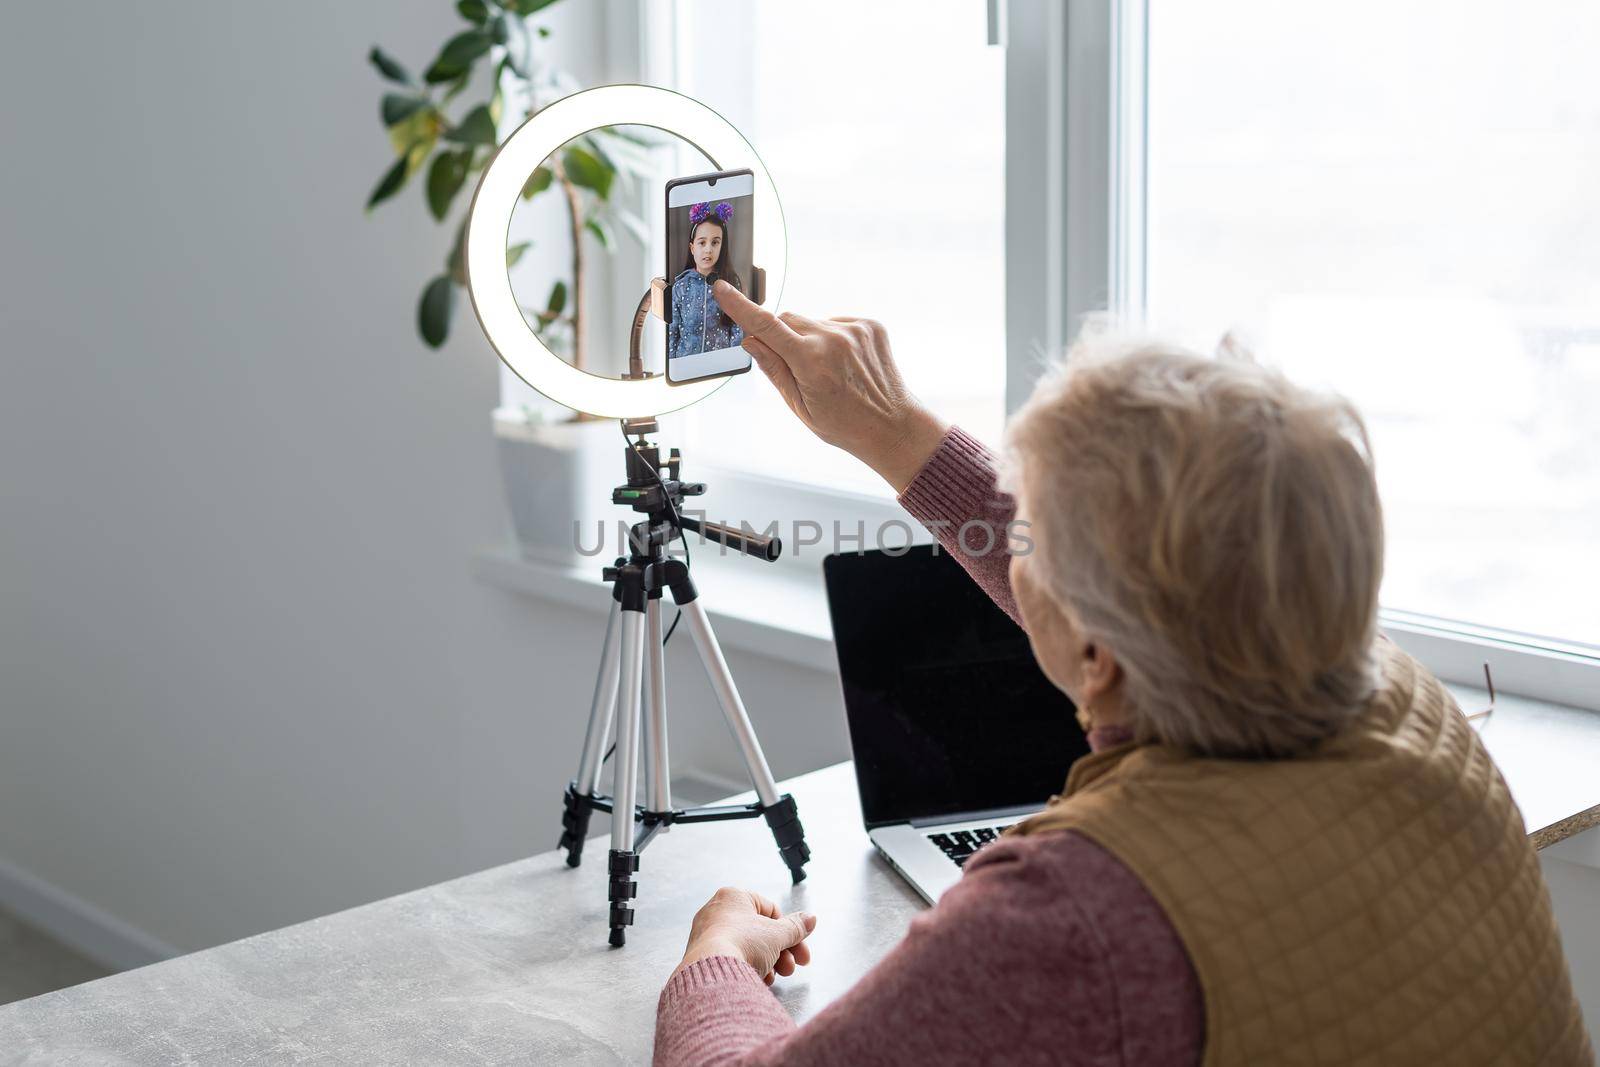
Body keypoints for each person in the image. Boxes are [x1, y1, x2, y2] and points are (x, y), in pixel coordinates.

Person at [651, 282, 1593, 1066]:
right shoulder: (1409, 708)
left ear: (1097, 659)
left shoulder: (1072, 913)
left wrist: (717, 953)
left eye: (1037, 537)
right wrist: (896, 430)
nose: (1016, 549)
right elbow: (1177, 578)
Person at [667, 201, 745, 361]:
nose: (708, 249)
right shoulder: (681, 286)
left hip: (721, 367)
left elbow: (737, 330)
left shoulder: (731, 283)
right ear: (692, 248)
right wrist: (673, 363)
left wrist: (732, 362)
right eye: (702, 242)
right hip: (686, 367)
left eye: (715, 242)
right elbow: (672, 332)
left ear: (722, 246)